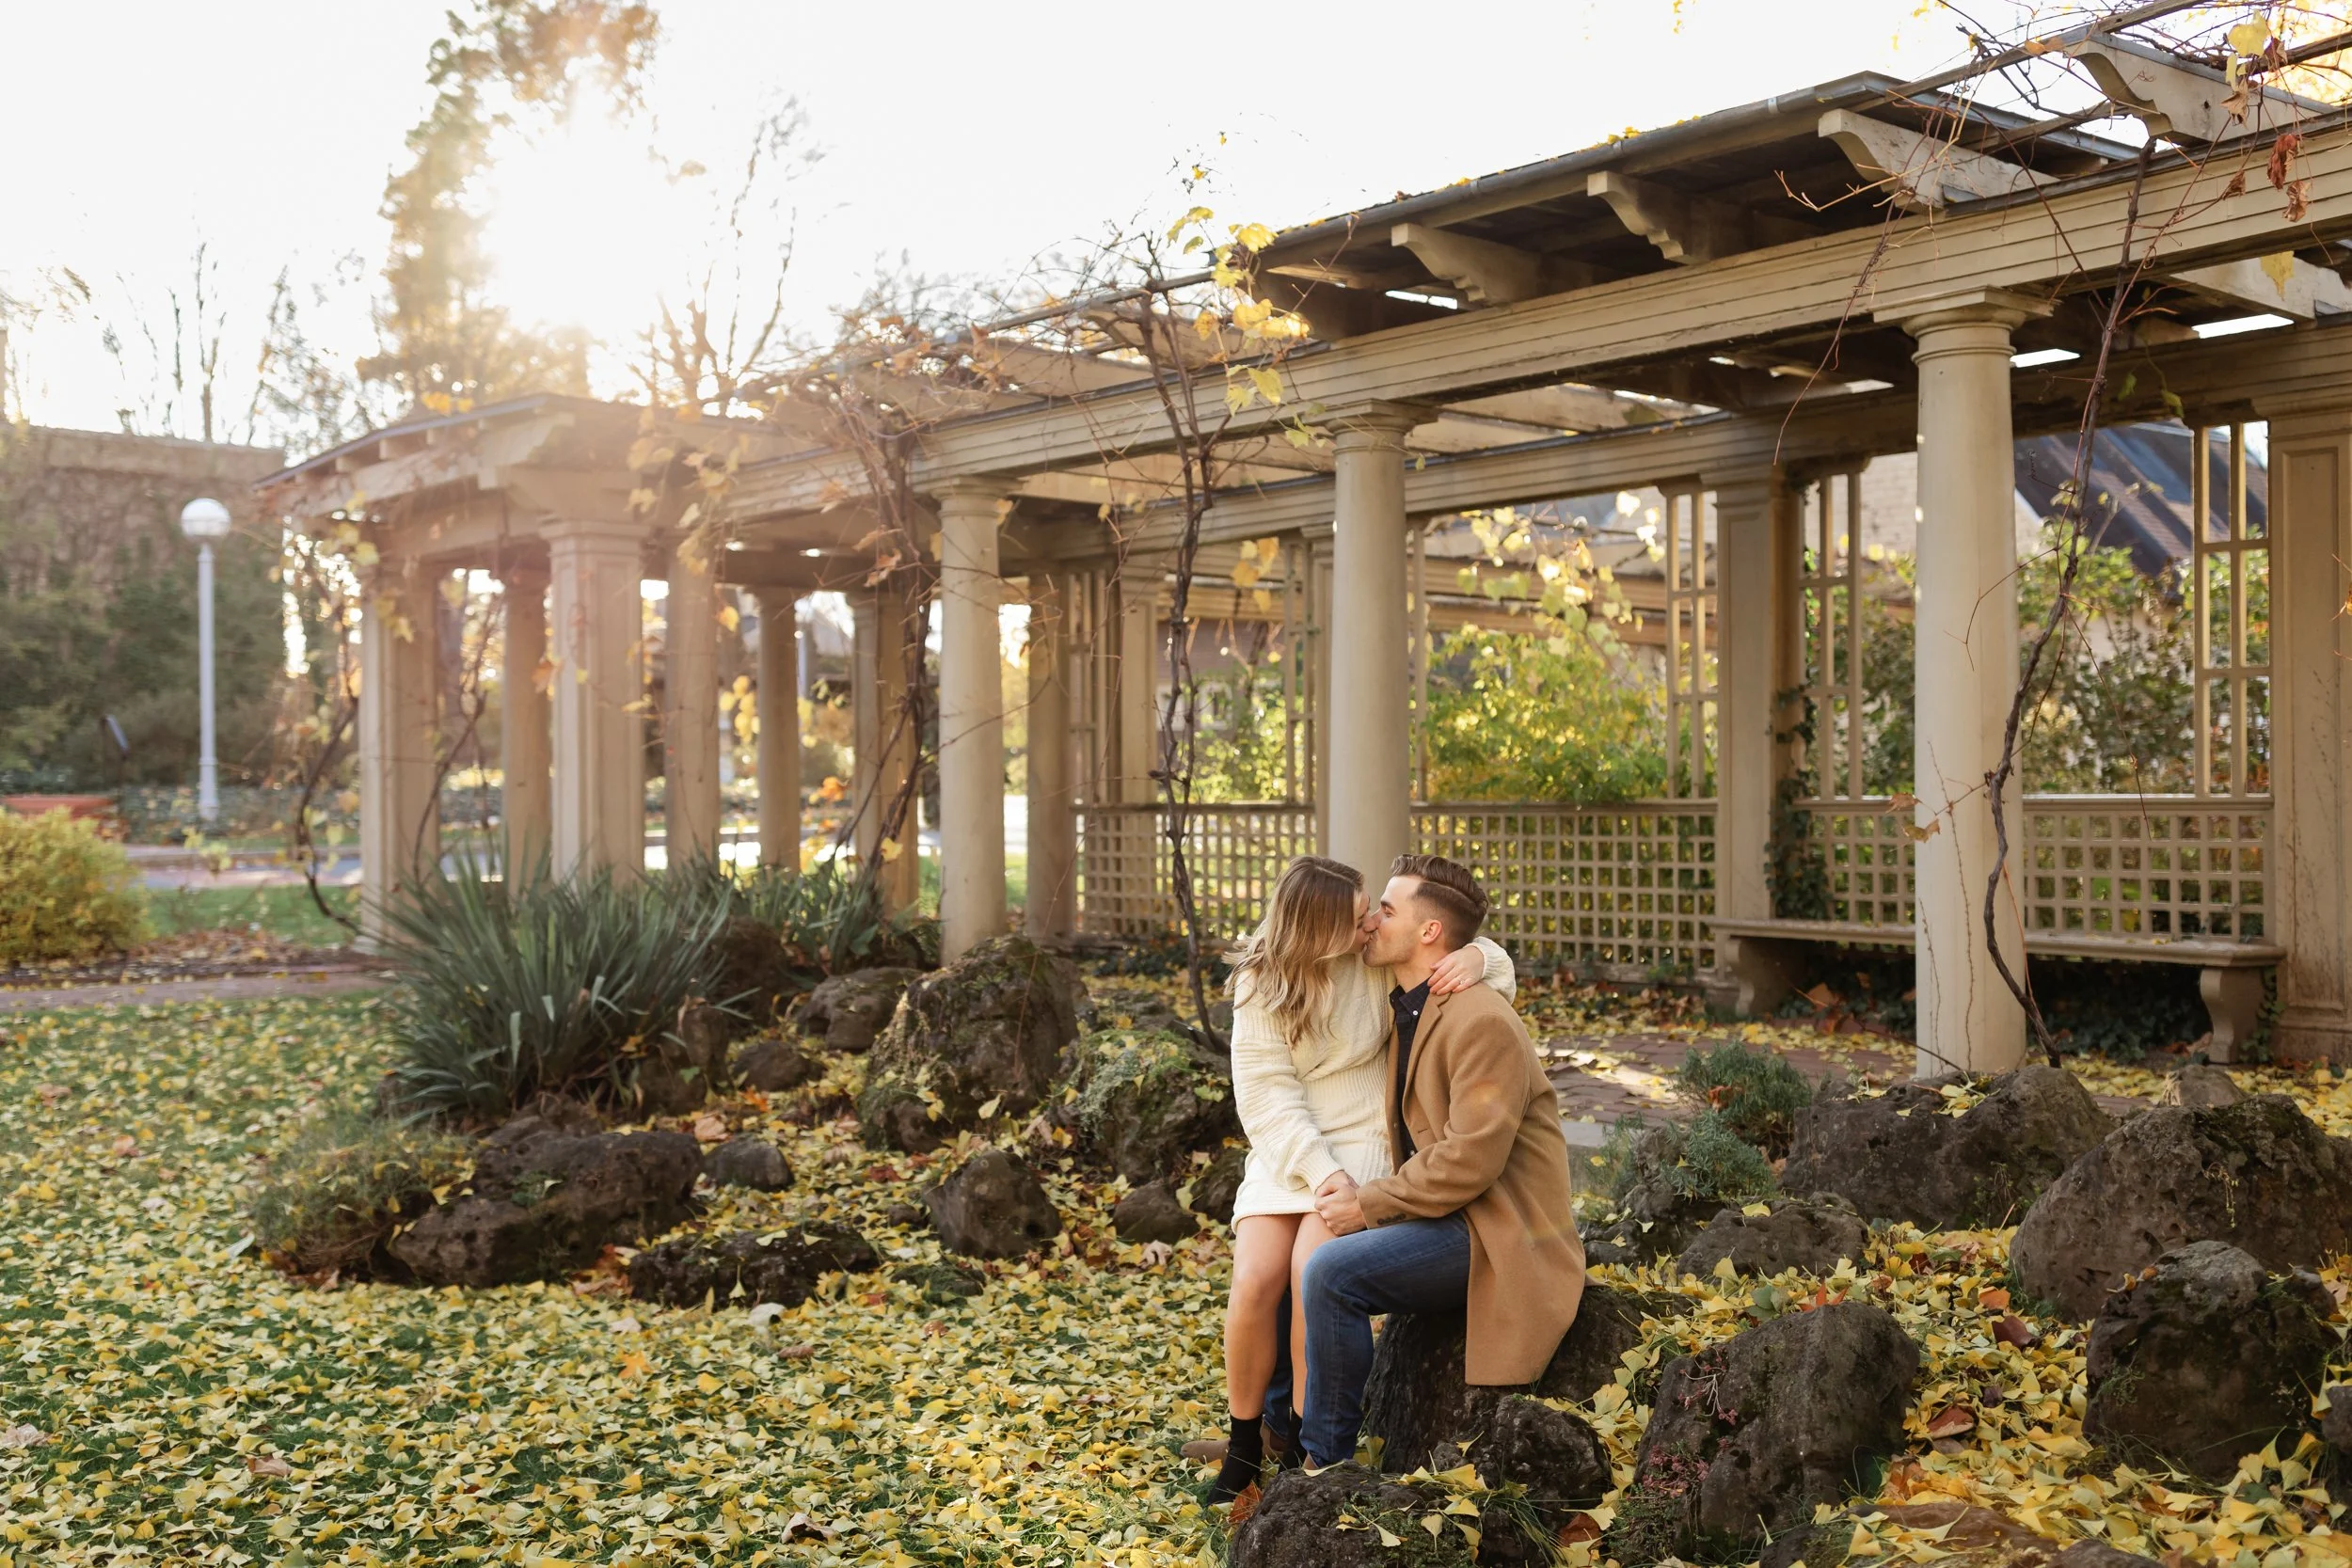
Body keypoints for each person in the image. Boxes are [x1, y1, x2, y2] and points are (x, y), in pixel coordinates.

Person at [1207, 854, 1515, 1502]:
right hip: (1288, 1143)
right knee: (1255, 1275)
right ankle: (1242, 1446)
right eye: (1358, 916)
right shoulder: (1260, 979)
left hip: (1364, 1137)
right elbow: (1264, 1094)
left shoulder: (1371, 959)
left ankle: (1296, 1440)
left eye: (1375, 908)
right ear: (1317, 927)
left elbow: (1461, 944)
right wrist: (1320, 1170)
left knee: (1310, 1268)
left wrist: (1483, 959)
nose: (1373, 921)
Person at [1300, 853, 1582, 1471]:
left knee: (1330, 1274)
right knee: (1285, 1251)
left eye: (1388, 910)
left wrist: (1368, 1203)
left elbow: (1470, 1160)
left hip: (1496, 1229)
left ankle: (1325, 1469)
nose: (1371, 921)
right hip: (1450, 1214)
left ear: (1429, 932)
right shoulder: (1409, 1001)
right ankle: (1271, 1430)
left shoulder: (1479, 1019)